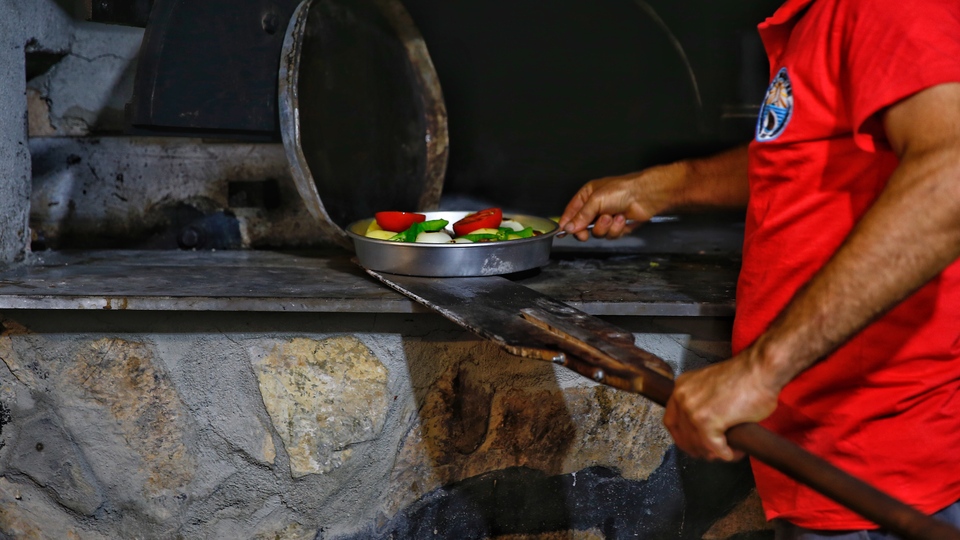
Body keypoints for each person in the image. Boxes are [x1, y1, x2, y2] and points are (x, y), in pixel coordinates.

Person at [558, 0, 960, 537]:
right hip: (818, 450)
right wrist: (665, 185)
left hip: (879, 464)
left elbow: (950, 176)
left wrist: (758, 371)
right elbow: (808, 159)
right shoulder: (821, 16)